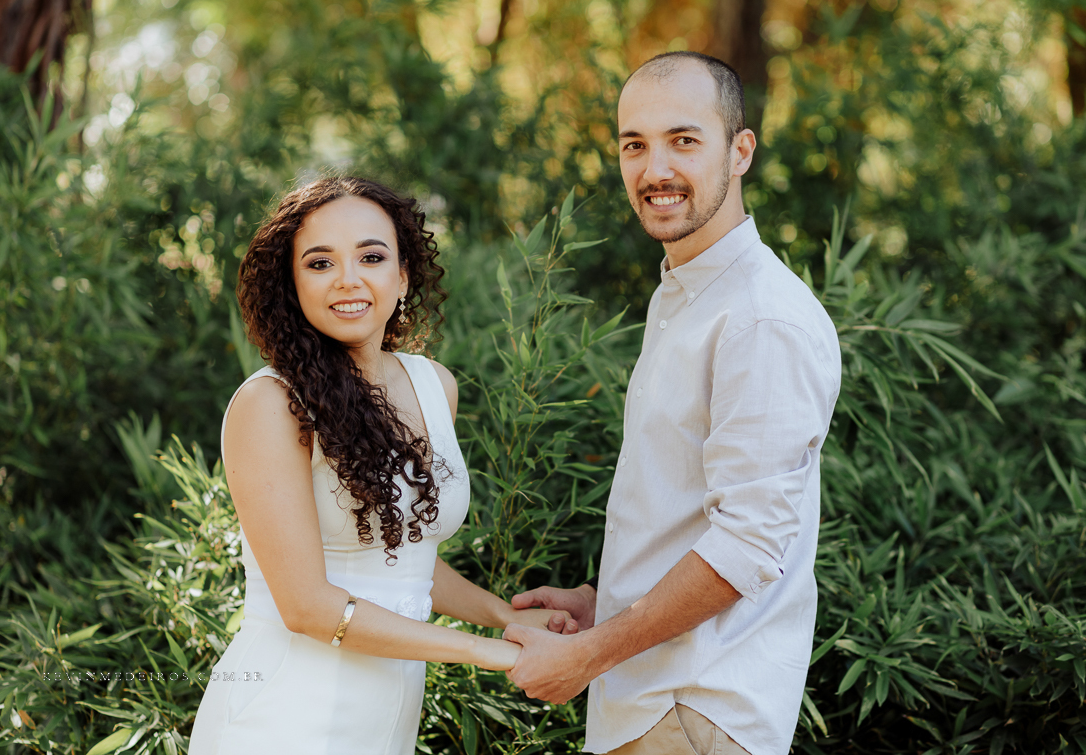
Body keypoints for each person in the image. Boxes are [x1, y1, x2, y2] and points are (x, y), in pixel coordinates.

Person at [502, 52, 842, 754]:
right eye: (635, 145)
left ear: (739, 150)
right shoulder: (683, 296)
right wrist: (604, 604)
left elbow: (747, 546)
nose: (655, 169)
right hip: (657, 705)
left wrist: (593, 652)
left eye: (684, 141)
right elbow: (690, 510)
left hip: (695, 710)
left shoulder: (760, 317)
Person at [189, 176, 567, 754]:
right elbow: (308, 606)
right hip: (283, 720)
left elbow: (401, 553)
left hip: (384, 723)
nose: (349, 279)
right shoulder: (270, 403)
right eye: (319, 263)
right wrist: (489, 653)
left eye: (371, 256)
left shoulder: (434, 386)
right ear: (291, 284)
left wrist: (505, 618)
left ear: (403, 274)